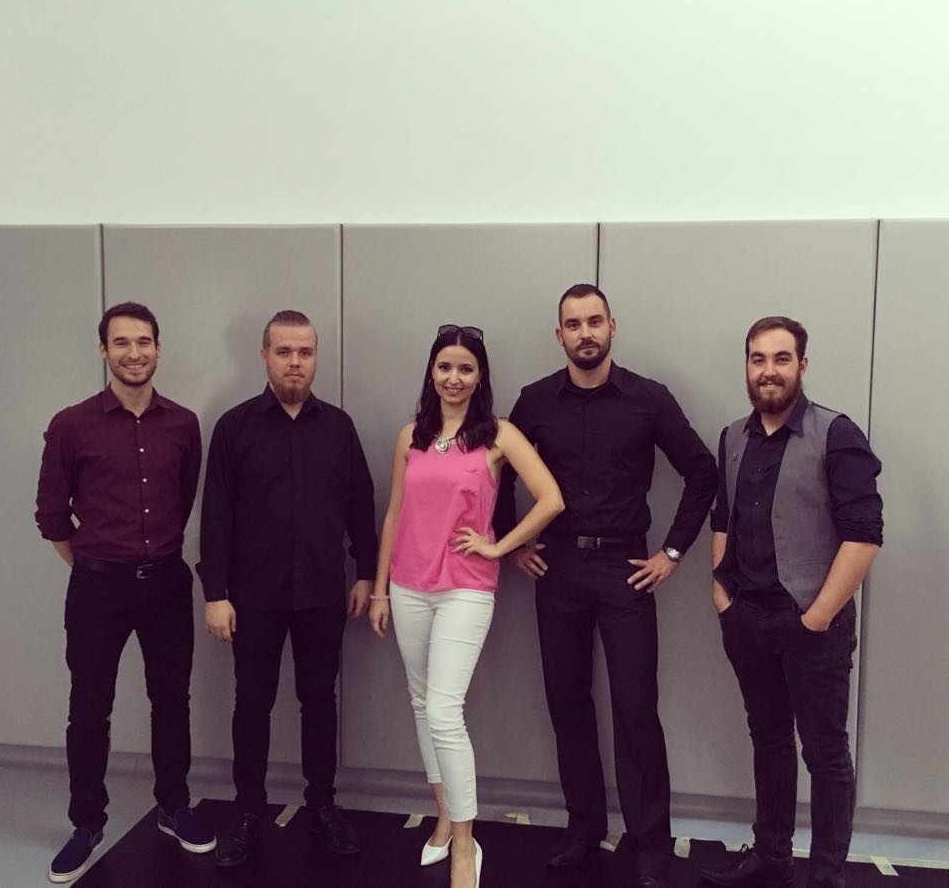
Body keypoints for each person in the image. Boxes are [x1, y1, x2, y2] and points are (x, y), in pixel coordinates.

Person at [493, 284, 717, 888]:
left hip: (626, 568)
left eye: (594, 321)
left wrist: (673, 552)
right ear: (559, 335)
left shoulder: (649, 399)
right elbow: (496, 471)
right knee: (567, 702)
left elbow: (702, 471)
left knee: (636, 709)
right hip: (558, 569)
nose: (585, 332)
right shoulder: (535, 401)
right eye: (573, 324)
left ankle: (651, 847)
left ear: (613, 326)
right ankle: (583, 829)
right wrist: (513, 543)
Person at [369, 324, 564, 888]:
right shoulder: (411, 436)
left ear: (480, 377)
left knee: (443, 711)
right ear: (431, 372)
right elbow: (394, 514)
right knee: (421, 702)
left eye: (465, 368)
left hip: (465, 587)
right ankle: (443, 814)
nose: (453, 378)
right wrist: (380, 589)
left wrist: (500, 546)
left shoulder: (498, 435)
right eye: (444, 367)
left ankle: (463, 842)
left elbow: (551, 499)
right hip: (408, 585)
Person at [35, 302, 213, 883]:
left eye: (143, 342)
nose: (133, 353)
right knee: (89, 709)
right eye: (121, 343)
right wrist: (97, 562)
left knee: (172, 701)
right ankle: (87, 825)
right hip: (97, 589)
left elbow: (182, 499)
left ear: (158, 348)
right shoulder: (72, 424)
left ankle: (173, 806)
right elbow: (51, 515)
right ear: (103, 350)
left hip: (166, 584)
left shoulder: (183, 424)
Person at [701, 316, 883, 888]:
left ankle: (826, 875)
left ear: (802, 365)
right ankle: (771, 857)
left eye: (781, 359)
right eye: (758, 359)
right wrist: (722, 596)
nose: (769, 371)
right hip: (748, 618)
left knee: (825, 753)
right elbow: (723, 519)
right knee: (769, 740)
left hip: (812, 624)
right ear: (747, 366)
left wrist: (818, 617)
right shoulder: (733, 437)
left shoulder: (837, 434)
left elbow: (864, 535)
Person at [198, 309, 377, 867]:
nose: (295, 362)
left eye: (305, 352)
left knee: (319, 702)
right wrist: (215, 593)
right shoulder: (234, 427)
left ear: (315, 357)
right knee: (252, 704)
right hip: (252, 597)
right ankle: (248, 813)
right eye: (284, 352)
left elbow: (361, 505)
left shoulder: (339, 428)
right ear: (264, 356)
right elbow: (216, 516)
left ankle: (322, 806)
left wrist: (367, 573)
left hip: (323, 593)